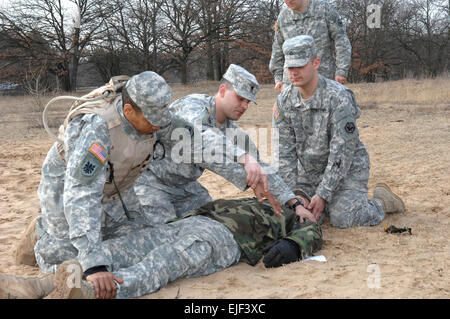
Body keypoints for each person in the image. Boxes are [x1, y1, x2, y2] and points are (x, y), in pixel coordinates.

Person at [14, 71, 188, 296]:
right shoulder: (97, 128)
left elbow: (198, 141)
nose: (159, 126)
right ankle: (39, 233)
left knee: (135, 240)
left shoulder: (156, 115)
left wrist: (244, 164)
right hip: (68, 184)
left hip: (116, 185)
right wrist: (94, 264)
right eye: (152, 121)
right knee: (67, 257)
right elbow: (81, 193)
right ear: (128, 111)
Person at [0, 193, 322, 299]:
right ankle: (40, 284)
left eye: (300, 197)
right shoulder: (256, 198)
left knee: (164, 262)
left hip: (222, 241)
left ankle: (89, 291)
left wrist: (293, 244)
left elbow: (312, 235)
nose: (292, 197)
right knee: (123, 247)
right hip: (184, 224)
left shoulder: (295, 217)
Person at [134, 64, 304, 225]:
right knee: (167, 235)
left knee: (214, 226)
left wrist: (293, 202)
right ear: (222, 90)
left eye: (248, 102)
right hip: (152, 183)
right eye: (240, 98)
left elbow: (260, 165)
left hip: (184, 187)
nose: (244, 106)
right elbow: (201, 137)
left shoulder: (231, 129)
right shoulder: (192, 106)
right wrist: (244, 158)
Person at [272, 35, 405, 229]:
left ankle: (383, 202)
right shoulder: (284, 101)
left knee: (344, 218)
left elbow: (342, 152)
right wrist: (294, 196)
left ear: (316, 63)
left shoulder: (338, 97)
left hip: (347, 169)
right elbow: (284, 155)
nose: (294, 72)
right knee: (289, 214)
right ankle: (322, 203)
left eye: (300, 66)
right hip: (308, 173)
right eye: (290, 67)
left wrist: (324, 193)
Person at [269, 0, 352, 93]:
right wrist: (278, 78)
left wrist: (341, 71)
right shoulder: (283, 17)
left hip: (323, 80)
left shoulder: (324, 10)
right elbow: (277, 49)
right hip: (292, 84)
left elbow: (341, 41)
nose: (288, 1)